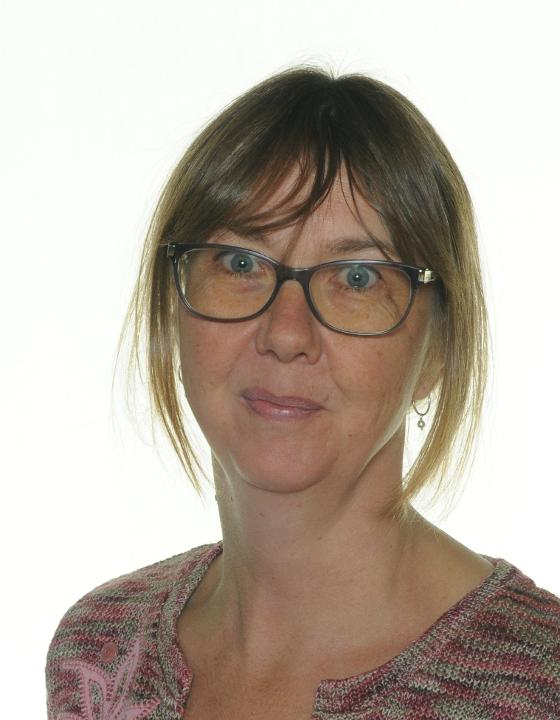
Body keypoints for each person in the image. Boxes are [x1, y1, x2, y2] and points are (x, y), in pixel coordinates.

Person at [45, 66, 560, 719]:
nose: (286, 333)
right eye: (240, 262)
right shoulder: (100, 652)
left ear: (439, 349)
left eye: (358, 277)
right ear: (173, 308)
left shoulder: (540, 686)